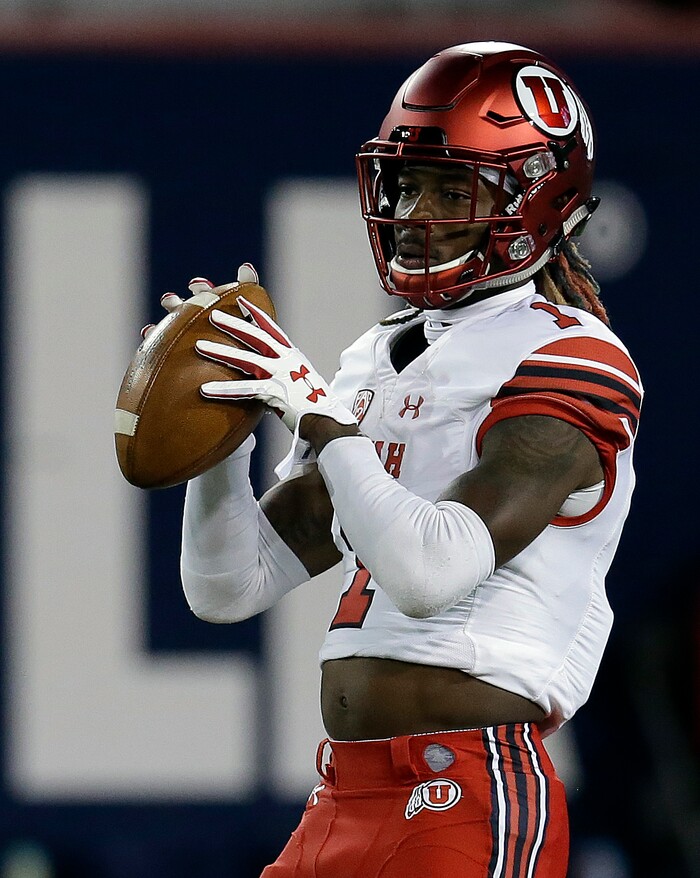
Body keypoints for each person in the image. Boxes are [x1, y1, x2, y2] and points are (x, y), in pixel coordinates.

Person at [175, 41, 642, 878]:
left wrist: (317, 417)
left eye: (454, 188)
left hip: (466, 789)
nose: (418, 212)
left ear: (539, 198)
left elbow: (434, 573)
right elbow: (228, 586)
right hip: (341, 795)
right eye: (408, 183)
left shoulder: (575, 358)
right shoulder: (377, 355)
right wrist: (224, 432)